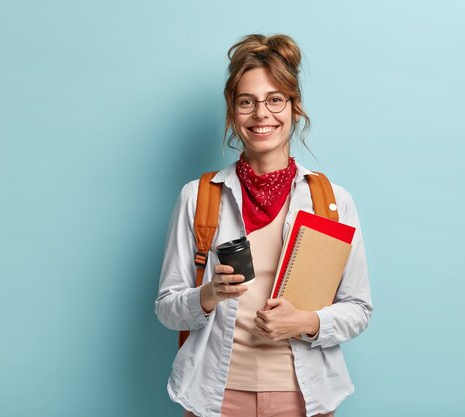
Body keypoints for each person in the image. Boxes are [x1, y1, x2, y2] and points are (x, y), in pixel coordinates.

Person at [155, 34, 373, 417]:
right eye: (247, 102)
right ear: (232, 111)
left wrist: (306, 322)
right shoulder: (198, 197)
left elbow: (358, 308)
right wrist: (208, 295)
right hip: (214, 398)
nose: (261, 114)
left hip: (305, 398)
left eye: (275, 99)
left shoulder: (331, 202)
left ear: (294, 107)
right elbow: (167, 308)